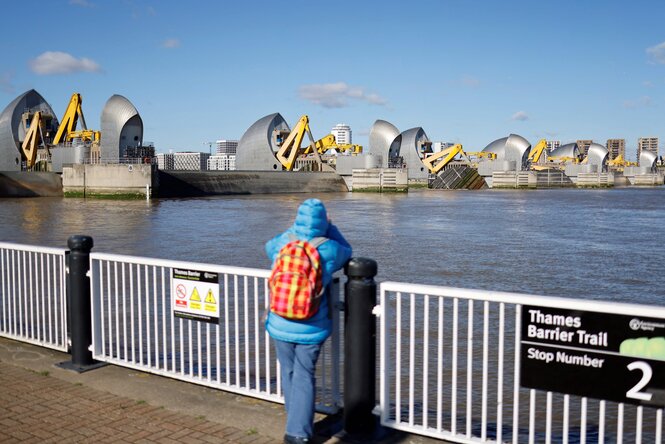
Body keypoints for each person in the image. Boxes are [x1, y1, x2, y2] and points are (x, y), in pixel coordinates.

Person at [265, 198, 352, 444]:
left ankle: (295, 420)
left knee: (289, 372)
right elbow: (348, 251)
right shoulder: (328, 248)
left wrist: (293, 230)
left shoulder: (285, 241)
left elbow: (267, 247)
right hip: (311, 323)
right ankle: (298, 433)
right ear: (324, 220)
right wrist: (331, 227)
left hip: (279, 320)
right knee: (304, 375)